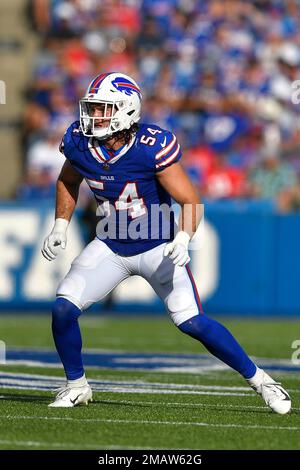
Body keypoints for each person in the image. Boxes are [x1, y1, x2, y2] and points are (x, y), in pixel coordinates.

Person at [42, 72, 291, 413]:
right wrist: (60, 225)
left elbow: (191, 200)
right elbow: (67, 180)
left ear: (126, 111)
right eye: (93, 108)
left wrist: (183, 237)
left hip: (157, 246)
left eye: (103, 108)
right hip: (111, 245)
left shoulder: (151, 146)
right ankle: (76, 385)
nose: (94, 116)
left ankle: (263, 382)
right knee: (62, 309)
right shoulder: (80, 142)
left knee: (193, 322)